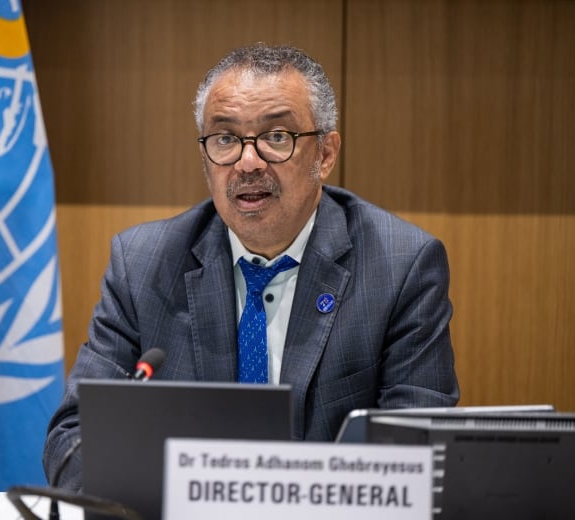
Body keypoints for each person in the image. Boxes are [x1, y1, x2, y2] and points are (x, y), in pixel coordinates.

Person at [43, 43, 459, 490]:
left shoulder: (401, 267)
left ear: (324, 153)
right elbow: (73, 437)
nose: (247, 162)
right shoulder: (142, 264)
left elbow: (419, 453)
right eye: (225, 139)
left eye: (276, 137)